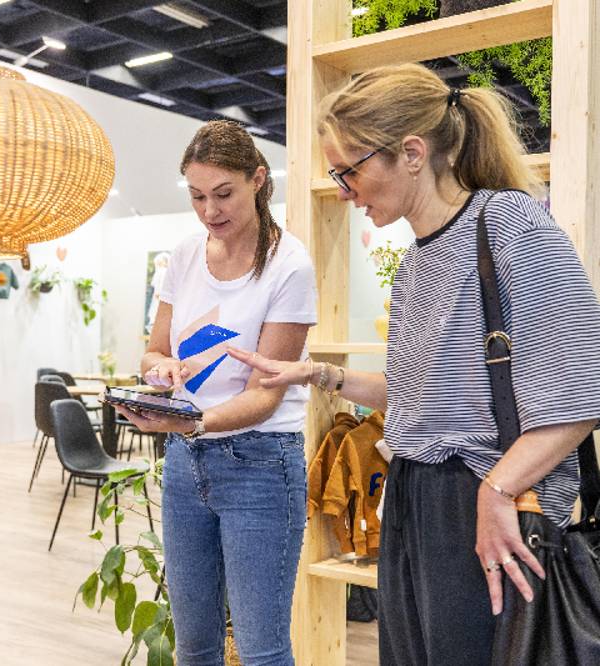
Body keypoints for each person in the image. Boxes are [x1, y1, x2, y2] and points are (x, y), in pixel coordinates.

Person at [230, 62, 600, 665]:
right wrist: (320, 375)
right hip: (413, 496)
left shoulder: (510, 225)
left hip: (490, 498)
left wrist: (497, 492)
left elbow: (582, 395)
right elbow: (416, 398)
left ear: (410, 151)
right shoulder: (415, 263)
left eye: (349, 171)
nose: (345, 191)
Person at [113, 120, 318, 665]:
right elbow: (153, 351)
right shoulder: (183, 255)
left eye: (223, 194)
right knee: (195, 644)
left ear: (258, 181)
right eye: (198, 196)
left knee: (261, 649)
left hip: (260, 465)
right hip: (185, 463)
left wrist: (193, 424)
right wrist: (161, 374)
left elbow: (266, 394)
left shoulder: (288, 265)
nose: (210, 211)